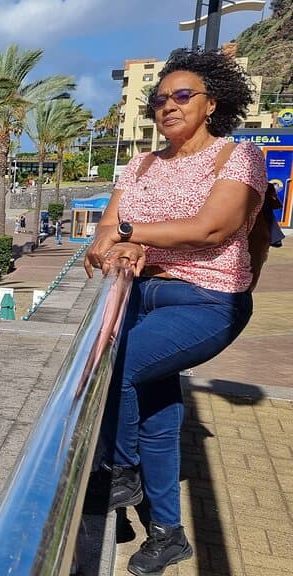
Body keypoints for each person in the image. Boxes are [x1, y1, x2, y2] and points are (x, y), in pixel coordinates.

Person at [83, 48, 266, 575]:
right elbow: (104, 234)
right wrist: (122, 244)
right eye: (160, 99)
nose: (168, 105)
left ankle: (119, 468)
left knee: (116, 368)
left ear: (211, 103)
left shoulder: (237, 156)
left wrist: (128, 235)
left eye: (182, 95)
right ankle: (168, 534)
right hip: (140, 294)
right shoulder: (139, 164)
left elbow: (214, 228)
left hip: (207, 299)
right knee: (159, 416)